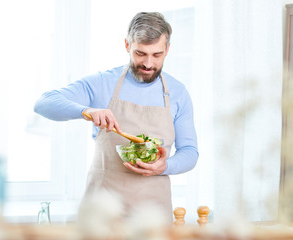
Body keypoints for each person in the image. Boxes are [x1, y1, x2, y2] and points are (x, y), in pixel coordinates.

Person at [34, 12, 198, 220]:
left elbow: (190, 152)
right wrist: (86, 111)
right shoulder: (103, 83)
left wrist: (166, 166)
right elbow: (43, 103)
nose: (148, 63)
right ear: (127, 45)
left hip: (153, 215)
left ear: (167, 50)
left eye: (156, 55)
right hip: (101, 213)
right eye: (140, 53)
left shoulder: (178, 93)